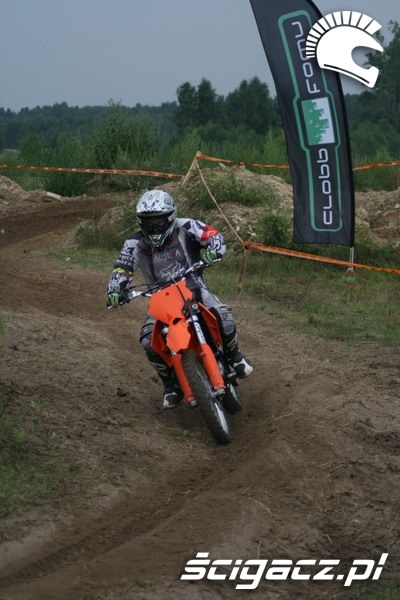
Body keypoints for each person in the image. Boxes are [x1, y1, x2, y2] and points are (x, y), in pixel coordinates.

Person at [106, 189, 253, 409]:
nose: (154, 226)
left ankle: (234, 355)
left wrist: (214, 249)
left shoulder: (187, 226)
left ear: (170, 216)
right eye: (149, 221)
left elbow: (212, 235)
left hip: (193, 288)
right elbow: (122, 267)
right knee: (148, 340)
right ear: (141, 221)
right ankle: (171, 383)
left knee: (221, 313)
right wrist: (115, 289)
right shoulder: (133, 243)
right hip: (161, 298)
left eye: (158, 220)